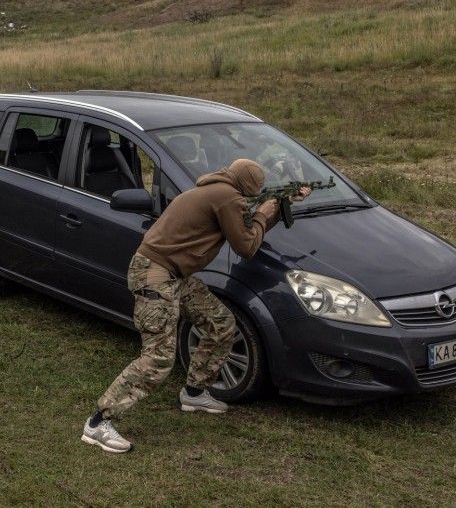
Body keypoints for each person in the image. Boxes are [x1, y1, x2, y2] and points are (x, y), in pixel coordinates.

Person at [81, 158, 311, 453]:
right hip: (156, 276)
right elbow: (247, 246)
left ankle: (193, 392)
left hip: (172, 274)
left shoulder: (216, 189)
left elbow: (246, 221)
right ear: (247, 187)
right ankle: (99, 423)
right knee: (159, 358)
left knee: (220, 323)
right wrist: (266, 214)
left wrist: (278, 206)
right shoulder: (227, 197)